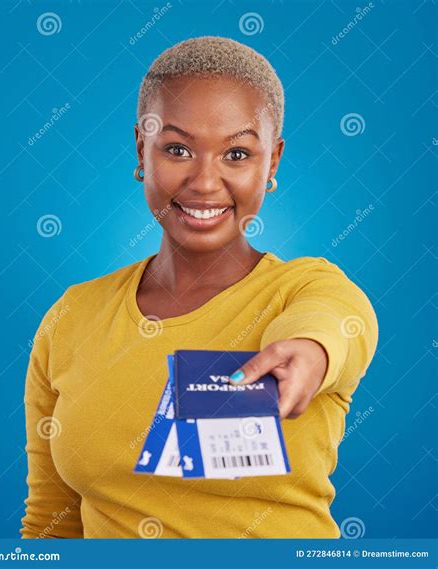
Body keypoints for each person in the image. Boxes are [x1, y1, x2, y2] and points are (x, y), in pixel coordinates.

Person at [20, 36, 378, 539]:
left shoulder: (304, 289)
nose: (205, 182)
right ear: (141, 149)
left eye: (236, 153)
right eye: (178, 149)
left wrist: (310, 351)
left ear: (271, 163)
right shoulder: (73, 316)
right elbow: (50, 523)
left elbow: (337, 321)